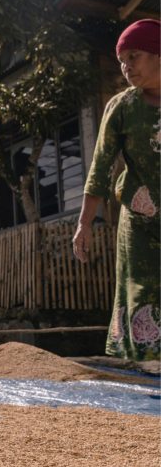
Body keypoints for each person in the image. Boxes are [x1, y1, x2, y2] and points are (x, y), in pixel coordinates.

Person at [73, 19, 160, 361]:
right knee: (143, 289)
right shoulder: (122, 107)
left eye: (134, 56)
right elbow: (101, 167)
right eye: (122, 60)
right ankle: (148, 363)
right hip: (140, 215)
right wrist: (84, 223)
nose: (126, 67)